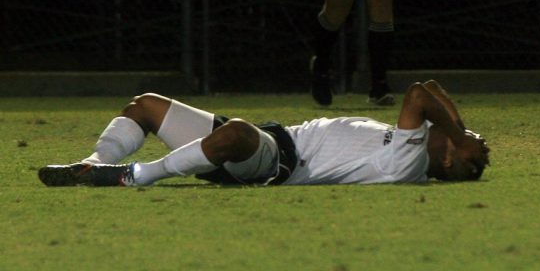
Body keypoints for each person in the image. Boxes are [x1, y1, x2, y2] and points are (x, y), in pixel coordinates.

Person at [38, 80, 490, 187]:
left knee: (235, 133)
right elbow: (432, 89)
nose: (478, 140)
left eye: (478, 149)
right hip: (270, 139)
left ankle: (133, 176)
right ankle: (93, 165)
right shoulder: (424, 140)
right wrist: (461, 133)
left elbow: (419, 94)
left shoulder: (408, 161)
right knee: (145, 106)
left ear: (450, 157)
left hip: (276, 162)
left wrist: (460, 134)